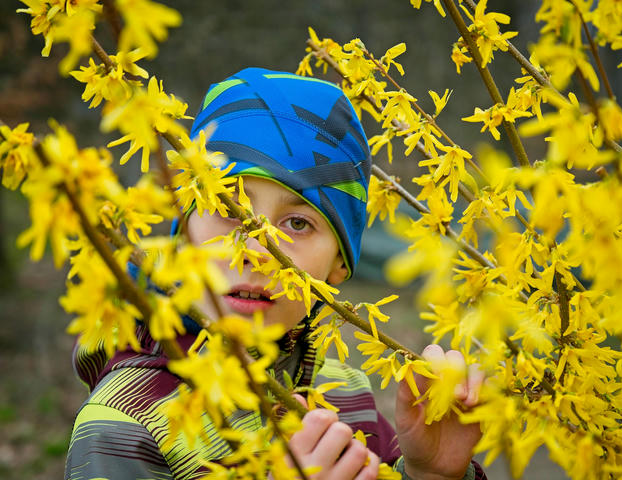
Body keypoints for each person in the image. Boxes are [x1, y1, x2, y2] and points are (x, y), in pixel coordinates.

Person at [65, 68, 487, 480]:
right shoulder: (124, 427)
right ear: (182, 231)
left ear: (339, 264)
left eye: (298, 224)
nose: (256, 251)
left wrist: (429, 473)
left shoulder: (346, 396)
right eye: (228, 207)